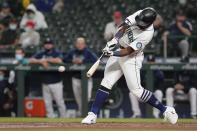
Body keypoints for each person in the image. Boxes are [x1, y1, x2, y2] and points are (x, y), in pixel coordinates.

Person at [82, 7, 178, 124]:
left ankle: (166, 110)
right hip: (119, 50)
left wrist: (112, 52)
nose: (139, 23)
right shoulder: (140, 14)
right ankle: (93, 114)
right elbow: (124, 27)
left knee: (136, 91)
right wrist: (115, 40)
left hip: (131, 58)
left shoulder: (147, 34)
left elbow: (128, 51)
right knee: (106, 83)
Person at [29, 38, 66, 118]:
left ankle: (64, 118)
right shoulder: (42, 53)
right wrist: (40, 61)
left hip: (56, 82)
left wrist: (46, 60)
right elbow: (31, 60)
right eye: (46, 43)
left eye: (49, 43)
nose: (48, 45)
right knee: (47, 103)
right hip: (45, 82)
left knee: (59, 102)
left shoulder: (56, 52)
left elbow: (59, 60)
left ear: (52, 45)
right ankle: (50, 119)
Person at [63, 37, 97, 117]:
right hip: (75, 78)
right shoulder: (72, 52)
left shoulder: (88, 52)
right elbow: (64, 59)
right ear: (76, 44)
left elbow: (96, 60)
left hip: (87, 78)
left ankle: (82, 113)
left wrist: (83, 61)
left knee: (87, 97)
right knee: (78, 98)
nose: (80, 45)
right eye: (78, 43)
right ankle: (83, 114)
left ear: (84, 44)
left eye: (81, 43)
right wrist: (72, 61)